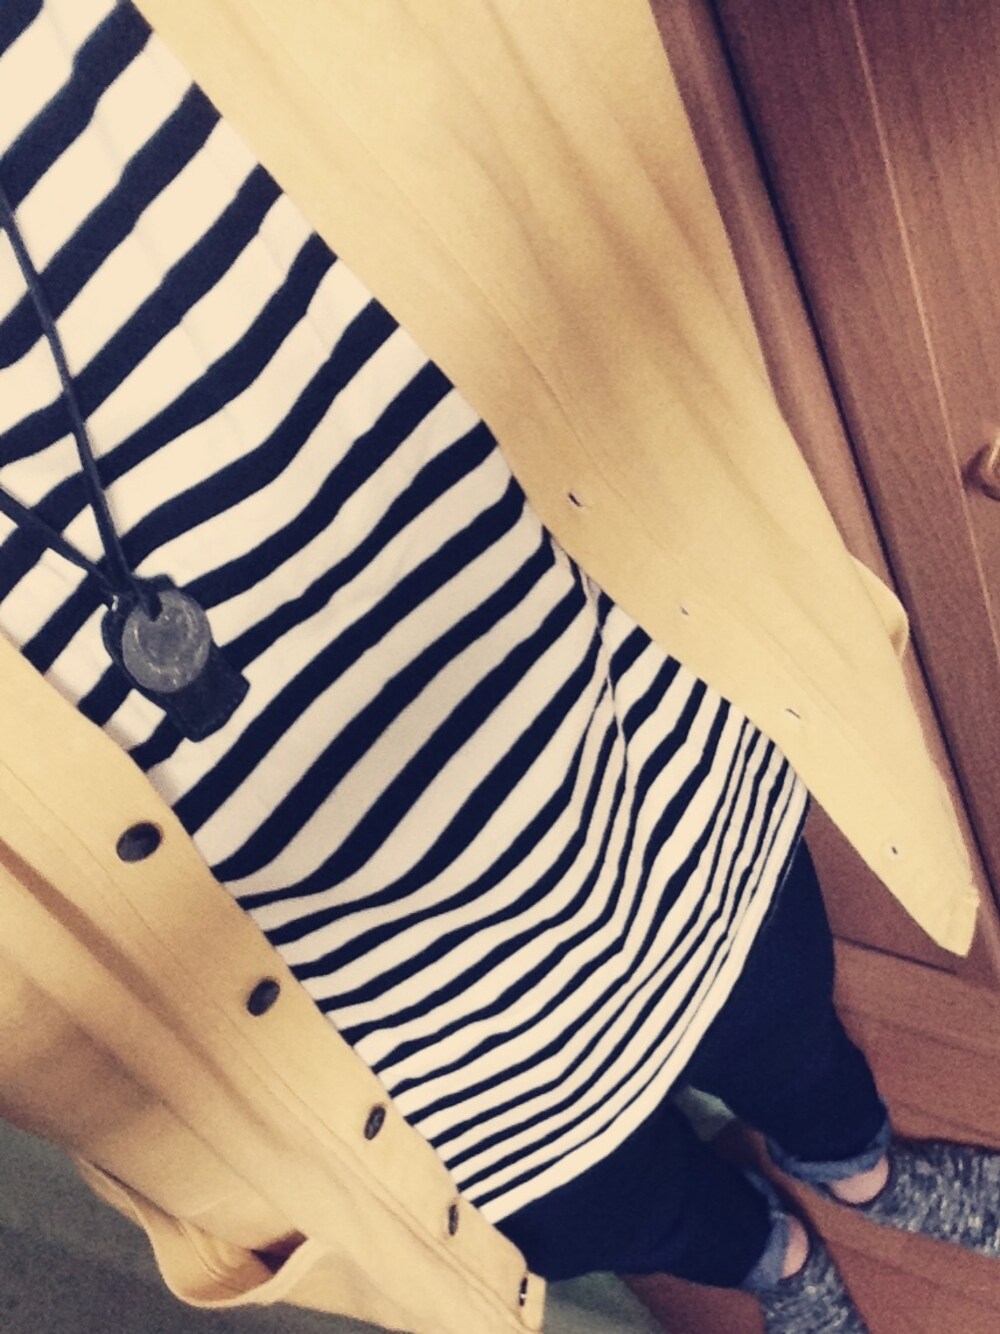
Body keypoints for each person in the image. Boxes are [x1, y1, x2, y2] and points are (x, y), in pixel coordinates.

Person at [0, 3, 992, 1332]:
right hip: (351, 972)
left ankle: (849, 1161)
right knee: (600, 1204)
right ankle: (771, 1257)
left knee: (772, 990)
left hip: (586, 668)